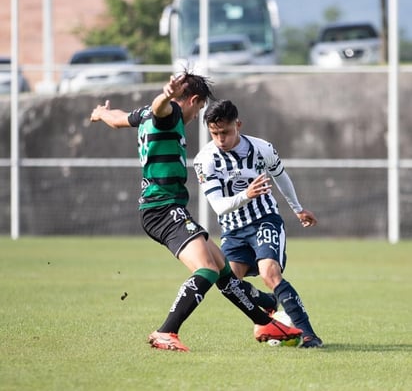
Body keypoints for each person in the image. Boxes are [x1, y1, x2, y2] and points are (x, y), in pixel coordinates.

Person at [90, 72, 303, 352]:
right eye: (199, 108)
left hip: (165, 207)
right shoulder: (171, 112)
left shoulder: (142, 114)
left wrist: (102, 113)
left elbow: (118, 119)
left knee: (223, 270)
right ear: (192, 100)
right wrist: (166, 95)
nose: (196, 116)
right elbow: (160, 108)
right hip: (162, 208)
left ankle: (264, 320)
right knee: (207, 269)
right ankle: (167, 331)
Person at [193, 99, 323, 348]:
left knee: (269, 273)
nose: (221, 139)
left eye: (226, 132)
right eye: (214, 133)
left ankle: (309, 335)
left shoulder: (262, 148)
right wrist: (247, 194)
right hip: (232, 229)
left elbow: (280, 176)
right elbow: (219, 206)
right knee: (230, 284)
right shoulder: (205, 159)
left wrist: (297, 209)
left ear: (238, 125)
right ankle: (269, 303)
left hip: (265, 220)